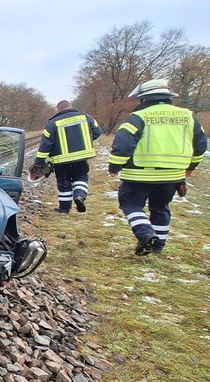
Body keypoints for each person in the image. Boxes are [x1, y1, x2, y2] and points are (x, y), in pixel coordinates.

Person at [109, 78, 207, 256]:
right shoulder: (188, 116)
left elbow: (123, 144)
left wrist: (115, 166)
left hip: (139, 174)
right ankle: (157, 248)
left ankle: (145, 234)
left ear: (144, 98)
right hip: (173, 175)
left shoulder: (138, 117)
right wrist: (191, 167)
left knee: (131, 204)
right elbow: (200, 144)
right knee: (161, 208)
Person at [31, 100, 102, 213]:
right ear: (70, 107)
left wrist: (39, 162)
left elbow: (45, 145)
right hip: (81, 157)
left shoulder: (52, 123)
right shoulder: (86, 117)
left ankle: (64, 208)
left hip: (61, 160)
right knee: (81, 177)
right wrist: (83, 141)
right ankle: (79, 196)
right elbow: (98, 131)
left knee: (63, 182)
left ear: (58, 110)